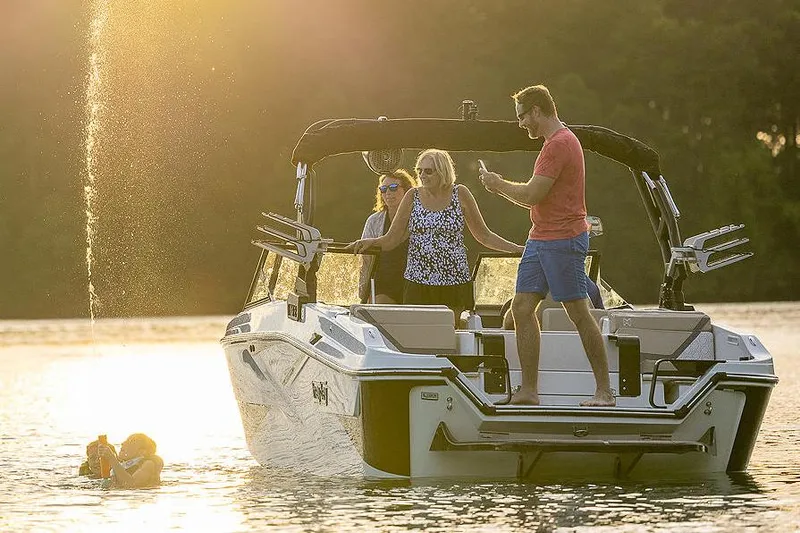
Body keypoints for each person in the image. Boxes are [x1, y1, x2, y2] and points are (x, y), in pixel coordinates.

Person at [479, 84, 615, 407]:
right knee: (522, 308)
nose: (521, 123)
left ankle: (604, 392)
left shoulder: (559, 145)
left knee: (579, 314)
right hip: (539, 238)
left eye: (522, 116)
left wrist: (497, 186)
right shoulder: (552, 144)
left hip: (563, 240)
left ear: (537, 111)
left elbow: (531, 195)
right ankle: (529, 391)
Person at [350, 149, 523, 321]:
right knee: (418, 335)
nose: (422, 175)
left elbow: (484, 236)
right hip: (418, 280)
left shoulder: (460, 193)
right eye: (419, 171)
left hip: (454, 279)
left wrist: (517, 249)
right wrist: (367, 243)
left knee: (450, 335)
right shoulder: (412, 196)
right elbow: (391, 239)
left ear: (442, 171)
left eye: (428, 171)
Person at [358, 169, 419, 304]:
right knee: (381, 310)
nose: (388, 193)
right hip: (383, 282)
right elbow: (365, 260)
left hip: (413, 282)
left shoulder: (419, 218)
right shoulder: (374, 221)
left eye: (393, 187)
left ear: (407, 191)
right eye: (383, 189)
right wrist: (364, 292)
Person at [97, 433, 163, 488]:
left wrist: (111, 458)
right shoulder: (122, 465)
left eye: (130, 441)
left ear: (142, 452)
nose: (123, 443)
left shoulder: (149, 464)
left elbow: (131, 484)